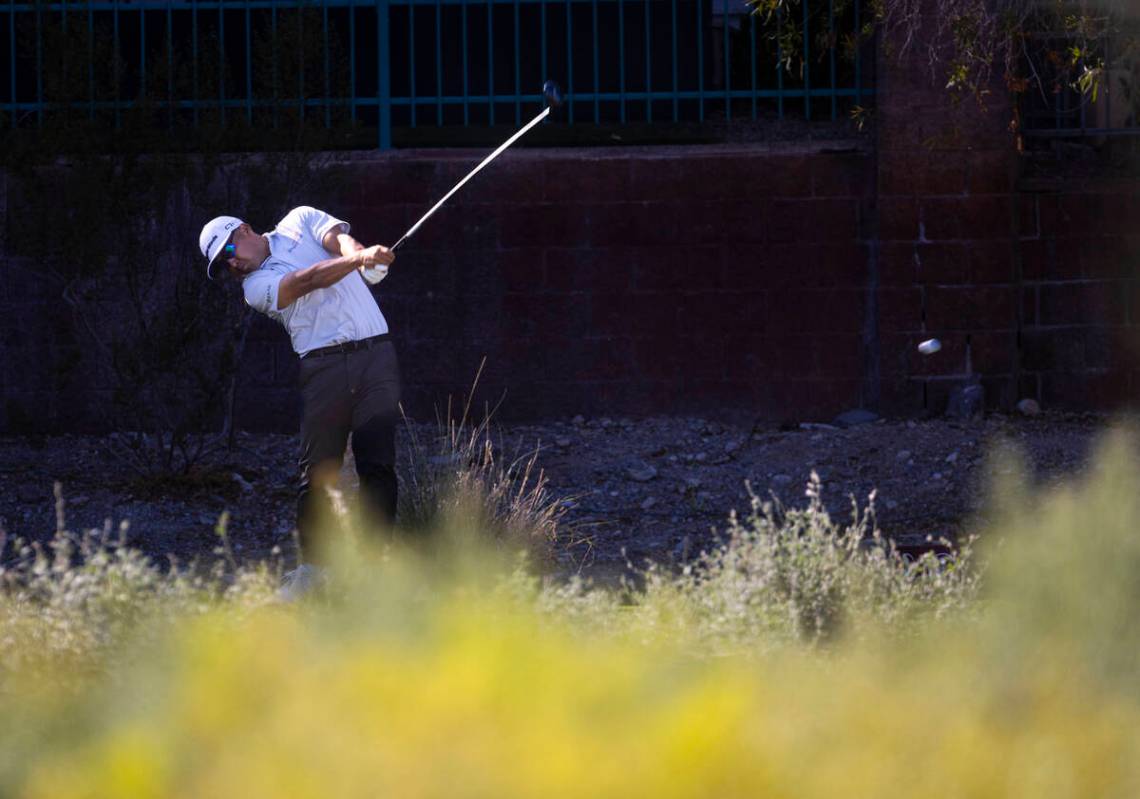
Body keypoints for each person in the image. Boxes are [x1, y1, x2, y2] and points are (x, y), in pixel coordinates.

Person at [198, 206, 399, 599]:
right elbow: (303, 282)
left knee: (378, 464)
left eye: (228, 252)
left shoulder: (299, 220)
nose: (232, 264)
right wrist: (357, 260)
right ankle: (314, 571)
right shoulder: (255, 288)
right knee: (319, 470)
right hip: (323, 366)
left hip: (377, 355)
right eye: (223, 264)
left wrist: (363, 257)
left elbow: (336, 239)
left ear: (244, 229)